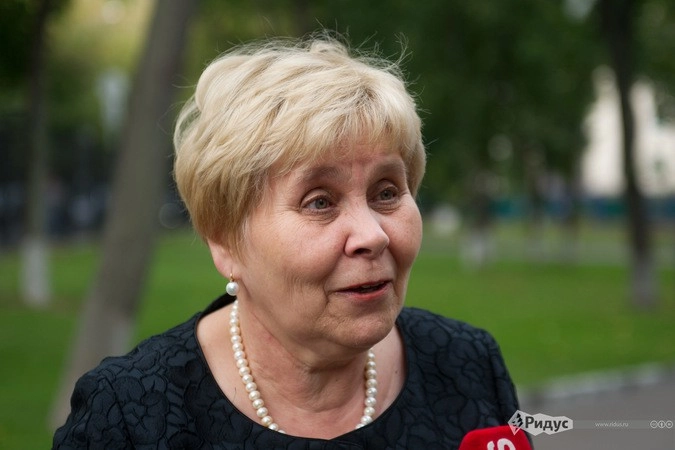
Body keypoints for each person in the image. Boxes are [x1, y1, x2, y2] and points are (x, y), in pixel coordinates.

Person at [53, 34, 522, 449]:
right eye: (320, 202)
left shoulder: (468, 365)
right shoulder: (128, 418)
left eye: (386, 193)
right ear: (226, 242)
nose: (372, 235)